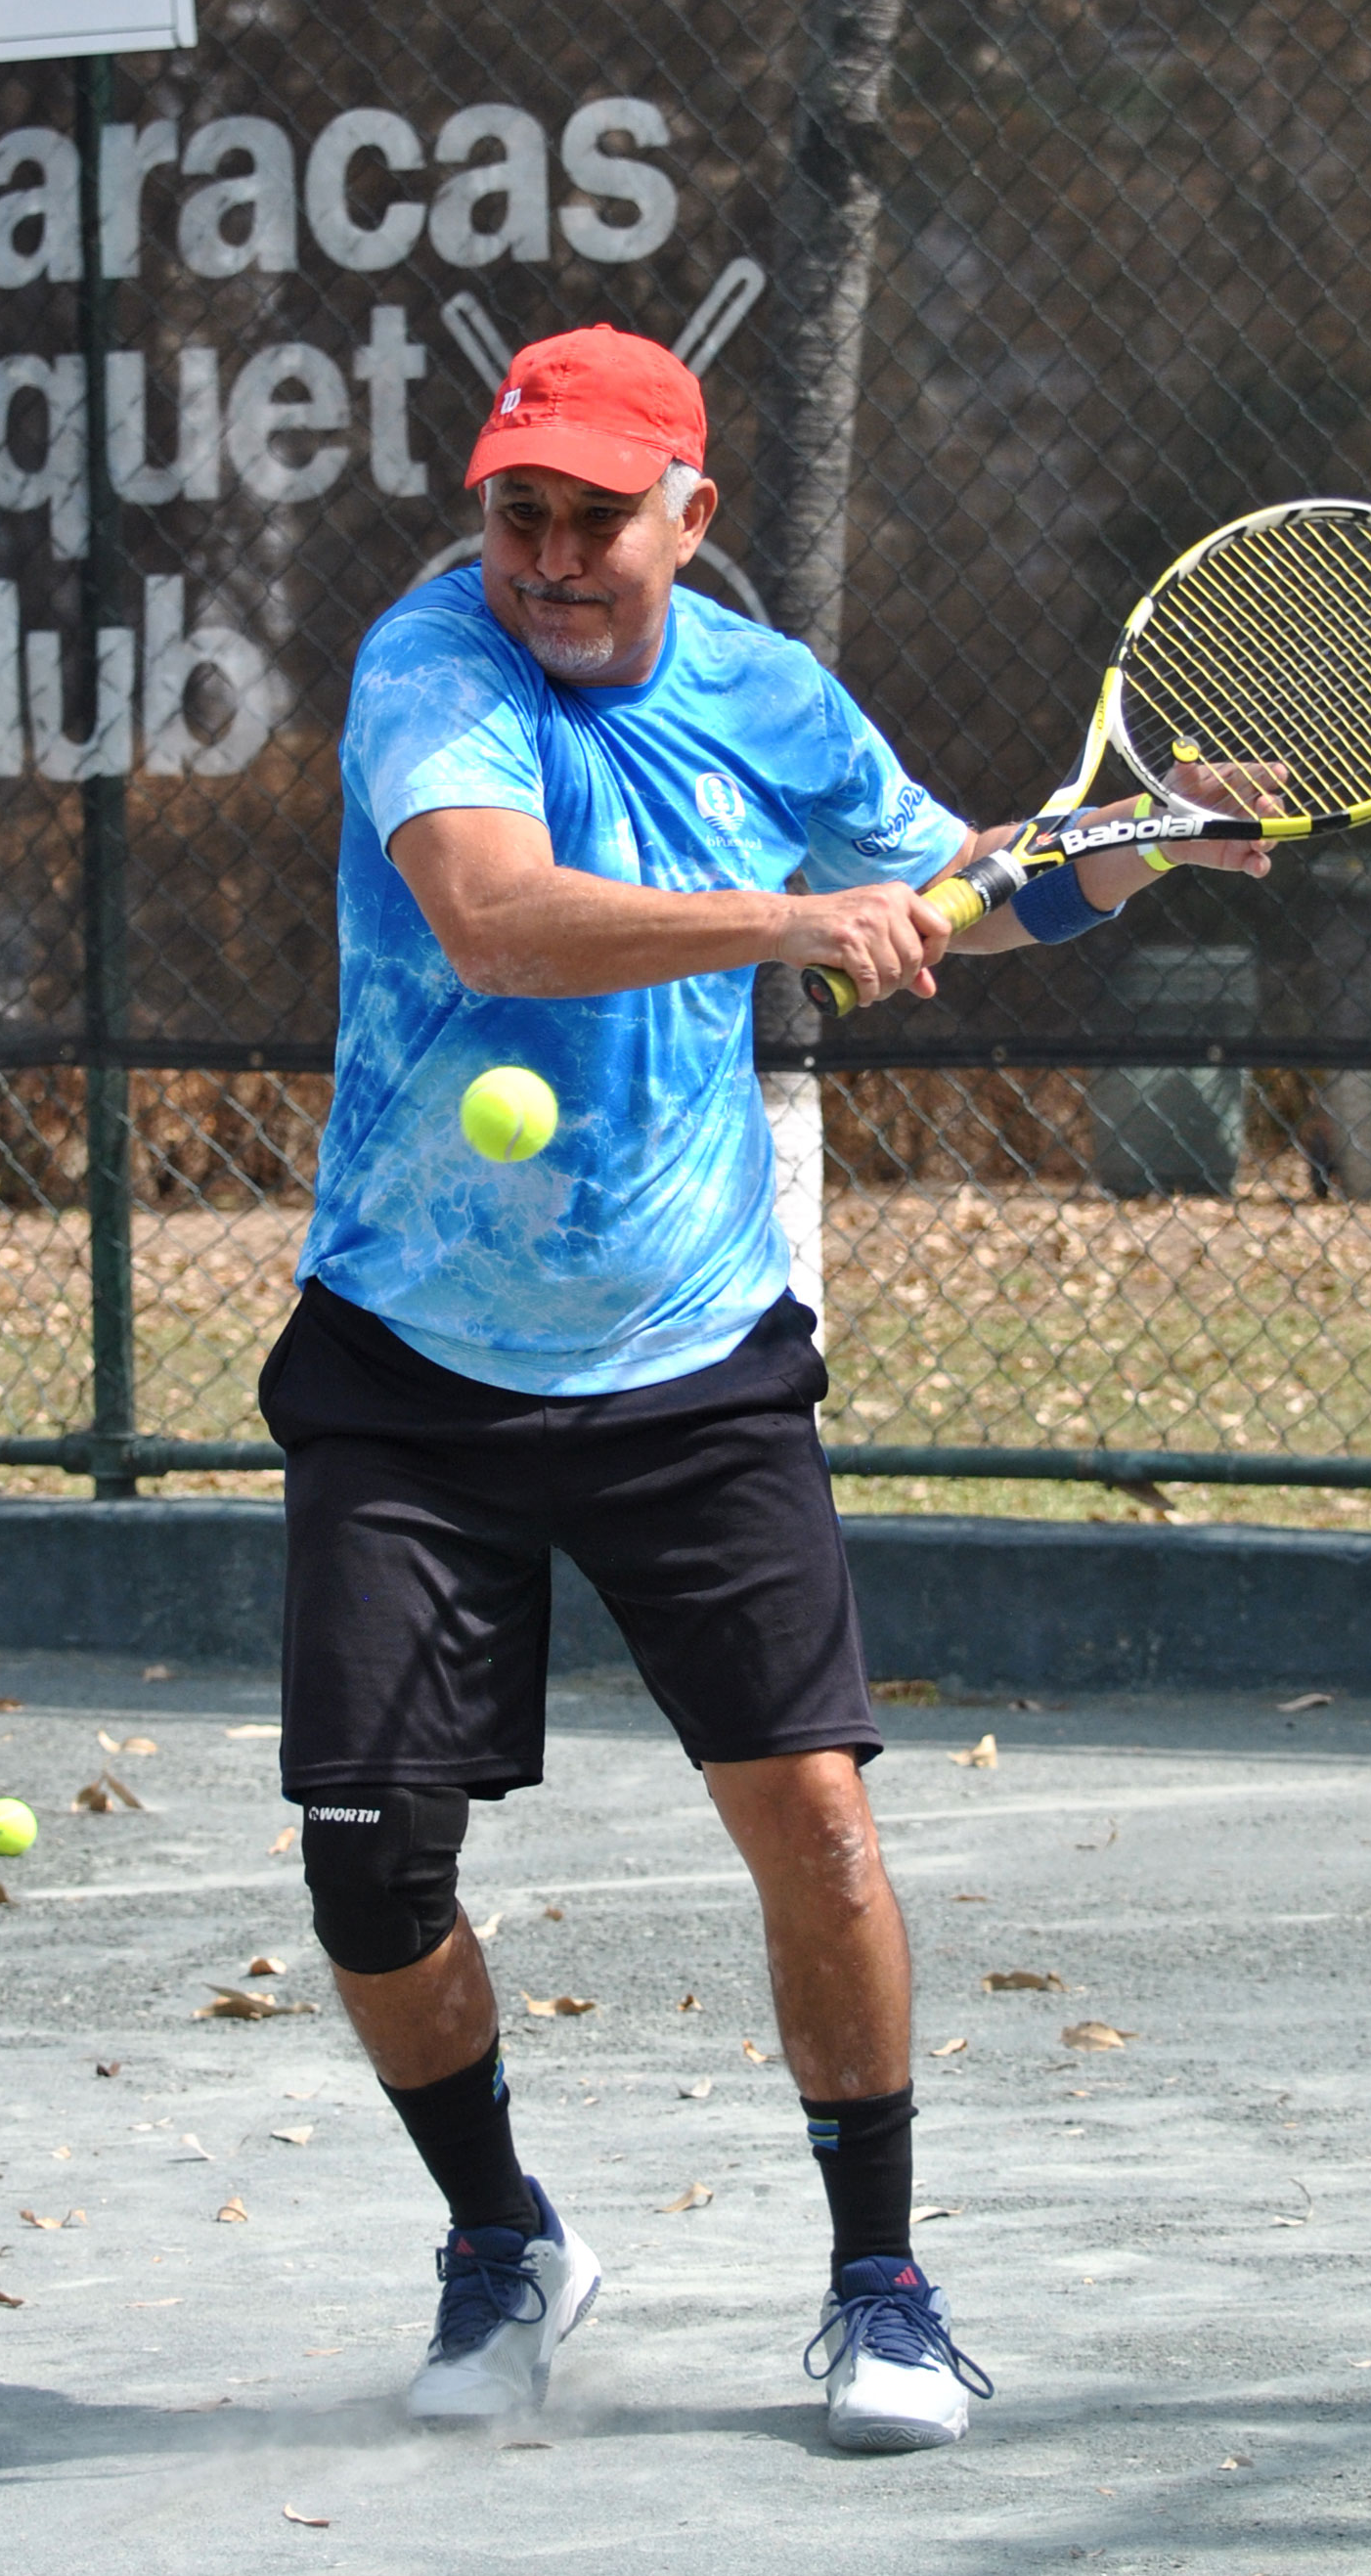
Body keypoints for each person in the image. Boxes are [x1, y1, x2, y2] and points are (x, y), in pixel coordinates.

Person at [258, 322, 1273, 2450]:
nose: (545, 551)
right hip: (408, 1360)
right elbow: (496, 917)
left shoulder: (765, 696)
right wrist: (789, 920)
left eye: (594, 516)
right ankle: (503, 2240)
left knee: (812, 1819)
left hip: (694, 1360)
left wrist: (1133, 846)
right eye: (516, 509)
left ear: (687, 519)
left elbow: (953, 894)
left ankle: (883, 2288)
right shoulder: (432, 667)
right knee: (368, 1860)